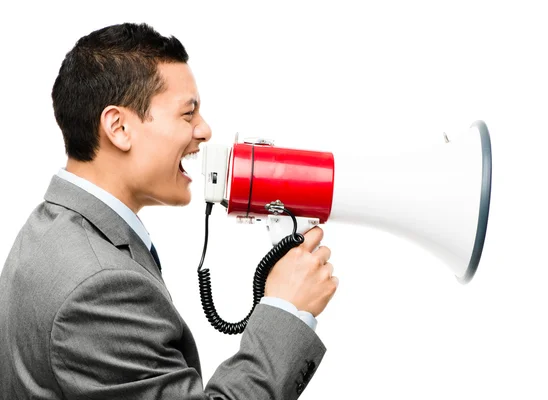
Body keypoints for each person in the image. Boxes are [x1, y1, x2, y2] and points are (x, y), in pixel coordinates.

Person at [0, 22, 338, 399]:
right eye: (188, 114)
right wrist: (287, 310)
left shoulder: (51, 226)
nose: (205, 130)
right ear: (119, 127)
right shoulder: (99, 284)